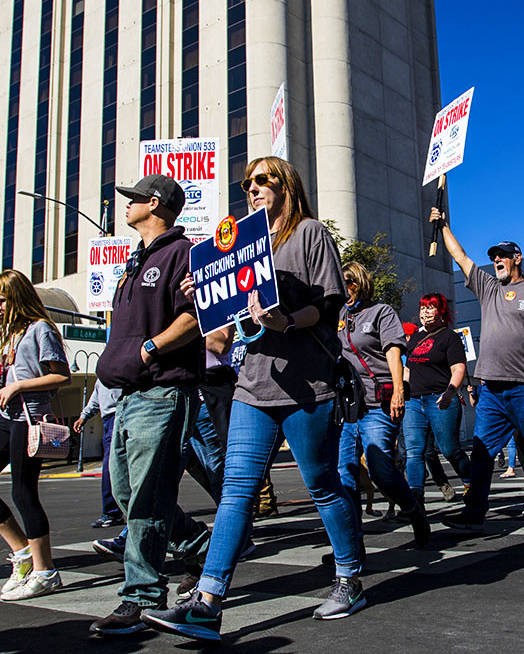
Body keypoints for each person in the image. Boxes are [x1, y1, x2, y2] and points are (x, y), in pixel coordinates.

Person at [141, 156, 365, 642]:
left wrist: (284, 320)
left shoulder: (310, 234)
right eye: (247, 183)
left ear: (286, 184)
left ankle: (349, 577)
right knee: (237, 491)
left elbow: (328, 306)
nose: (253, 188)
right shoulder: (242, 245)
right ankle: (207, 601)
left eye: (263, 180)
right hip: (253, 384)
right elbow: (221, 339)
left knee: (322, 484)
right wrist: (201, 295)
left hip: (308, 386)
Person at [90, 174, 204, 635]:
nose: (126, 205)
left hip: (162, 391)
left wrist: (149, 349)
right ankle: (196, 544)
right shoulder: (137, 261)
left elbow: (197, 316)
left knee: (146, 499)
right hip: (127, 394)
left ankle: (140, 598)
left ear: (154, 203)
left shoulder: (183, 253)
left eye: (133, 198)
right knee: (127, 494)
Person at [430, 207, 524, 531]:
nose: (496, 261)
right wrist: (443, 225)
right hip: (490, 388)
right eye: (494, 257)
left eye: (502, 256)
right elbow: (461, 257)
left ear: (517, 258)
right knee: (481, 453)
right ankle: (474, 510)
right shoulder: (488, 288)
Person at [0, 269, 71, 600]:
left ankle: (46, 571)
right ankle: (24, 554)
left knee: (24, 493)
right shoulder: (11, 334)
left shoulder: (41, 329)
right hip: (6, 418)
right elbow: (7, 379)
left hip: (29, 418)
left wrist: (19, 384)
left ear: (16, 297)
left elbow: (61, 376)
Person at [337, 262, 429, 547]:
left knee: (381, 470)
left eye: (349, 281)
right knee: (344, 474)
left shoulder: (381, 312)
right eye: (341, 282)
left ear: (361, 282)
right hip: (347, 407)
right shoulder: (337, 316)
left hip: (378, 403)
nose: (345, 287)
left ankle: (414, 510)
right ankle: (353, 545)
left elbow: (393, 352)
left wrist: (400, 389)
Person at [403, 292, 470, 501]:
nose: (425, 312)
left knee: (449, 449)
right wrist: (400, 390)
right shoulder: (414, 337)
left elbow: (458, 368)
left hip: (440, 399)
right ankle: (415, 499)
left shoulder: (449, 337)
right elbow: (407, 369)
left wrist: (451, 391)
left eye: (430, 307)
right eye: (423, 308)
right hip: (413, 401)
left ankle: (471, 481)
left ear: (441, 311)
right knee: (415, 451)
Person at [75, 381, 124, 528]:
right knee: (111, 468)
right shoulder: (102, 376)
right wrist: (84, 416)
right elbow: (95, 398)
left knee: (113, 468)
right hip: (108, 420)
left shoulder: (122, 368)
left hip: (120, 415)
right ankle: (112, 512)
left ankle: (112, 512)